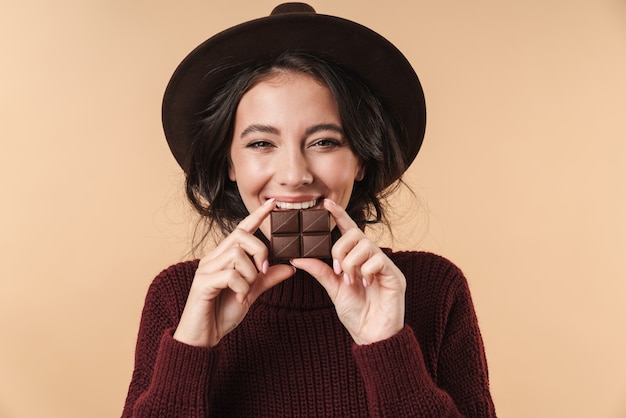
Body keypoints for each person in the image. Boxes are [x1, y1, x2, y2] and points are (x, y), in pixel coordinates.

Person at [122, 3, 496, 417]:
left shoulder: (432, 289)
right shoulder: (179, 297)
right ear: (228, 164)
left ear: (362, 160)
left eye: (324, 142)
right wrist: (192, 347)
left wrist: (387, 349)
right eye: (262, 143)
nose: (295, 174)